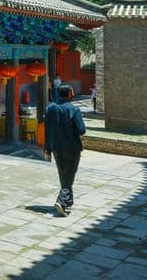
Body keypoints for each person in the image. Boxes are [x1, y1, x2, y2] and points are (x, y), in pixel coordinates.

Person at [44, 84, 86, 217]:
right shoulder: (73, 109)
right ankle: (61, 202)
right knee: (68, 177)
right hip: (72, 147)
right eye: (72, 92)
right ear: (69, 94)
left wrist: (48, 148)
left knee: (64, 175)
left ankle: (68, 201)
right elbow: (82, 130)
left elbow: (47, 130)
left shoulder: (50, 108)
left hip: (57, 148)